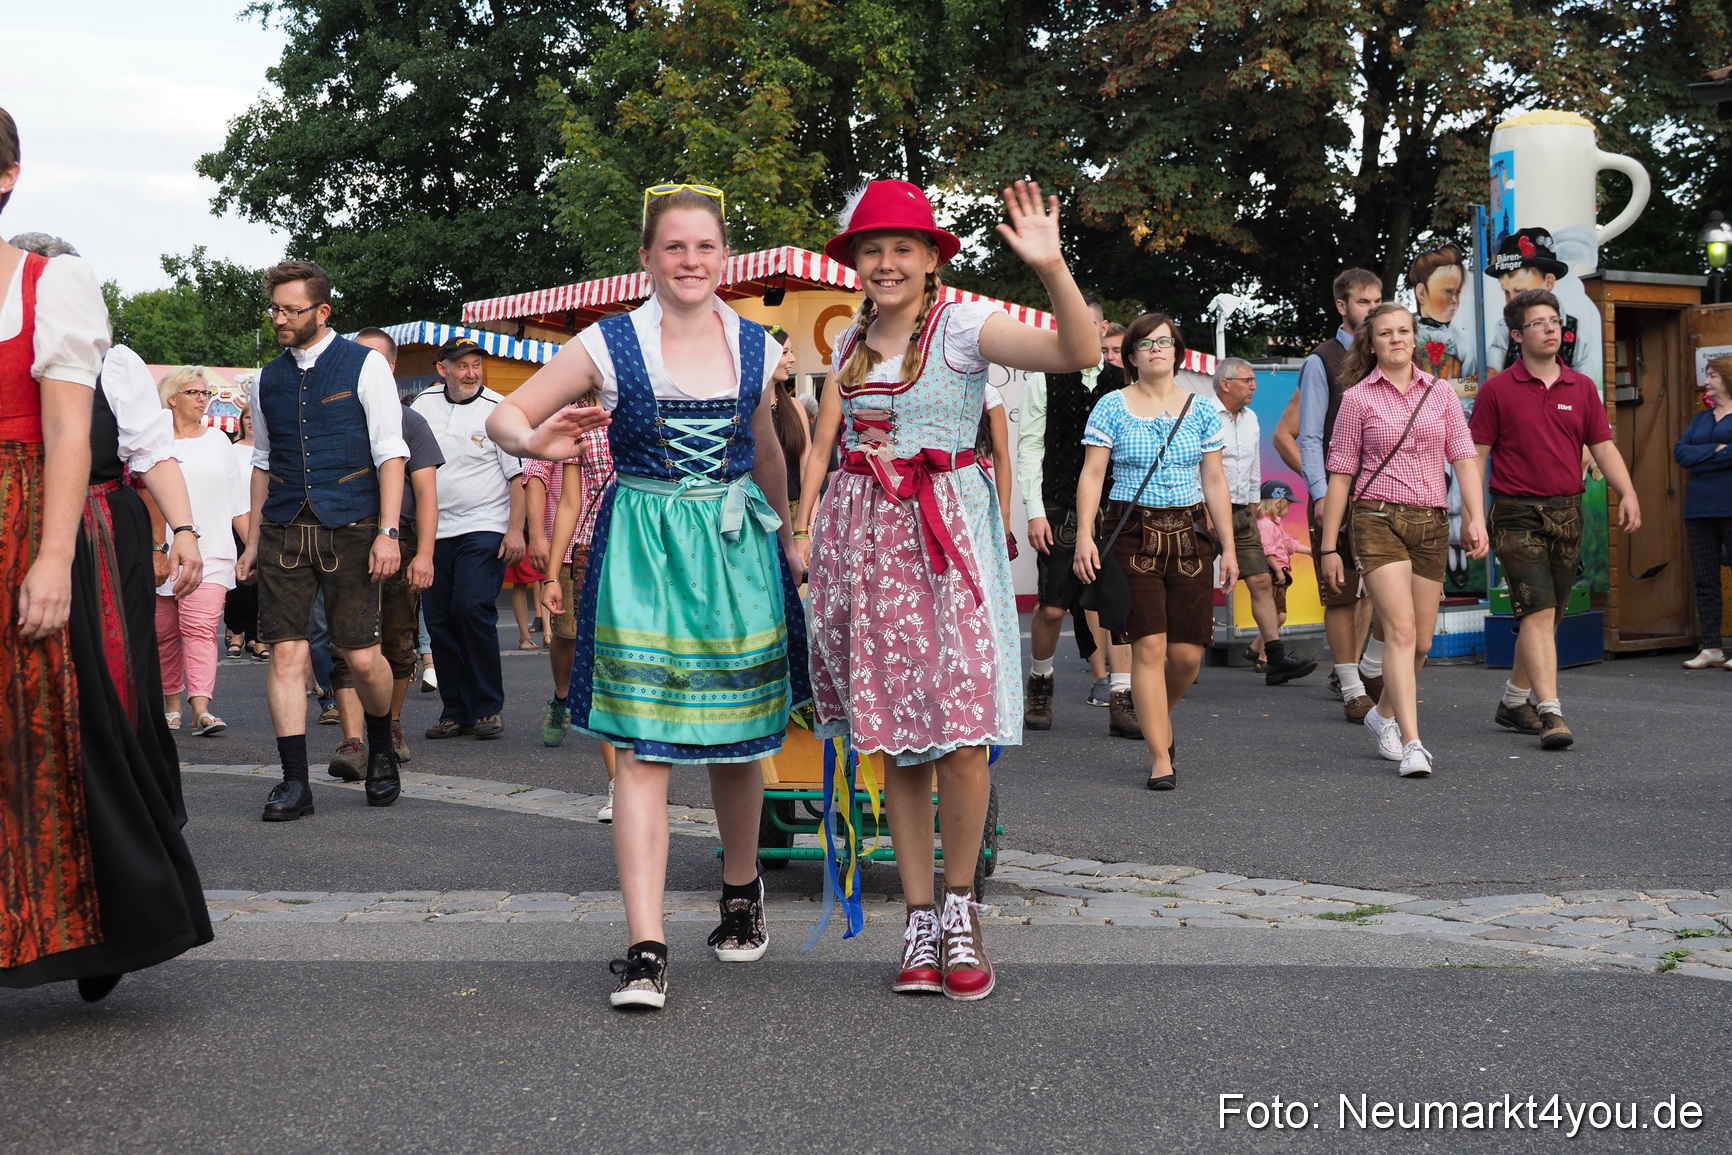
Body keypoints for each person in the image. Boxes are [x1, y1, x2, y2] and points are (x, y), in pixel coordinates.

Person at [488, 184, 805, 1012]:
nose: (691, 261)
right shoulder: (608, 341)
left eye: (704, 247)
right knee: (642, 748)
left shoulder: (759, 347)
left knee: (737, 740)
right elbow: (510, 415)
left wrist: (793, 534)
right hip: (643, 552)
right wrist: (533, 437)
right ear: (647, 257)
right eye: (674, 247)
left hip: (737, 547)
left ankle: (741, 892)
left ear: (724, 257)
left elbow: (767, 451)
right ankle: (645, 944)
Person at [797, 178, 1096, 1001]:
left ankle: (962, 907)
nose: (886, 261)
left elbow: (1077, 353)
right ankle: (919, 917)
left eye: (903, 247)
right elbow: (828, 444)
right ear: (855, 262)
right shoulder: (850, 341)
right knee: (899, 738)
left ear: (932, 260)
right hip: (869, 547)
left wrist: (1051, 265)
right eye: (872, 248)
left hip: (947, 545)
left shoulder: (963, 326)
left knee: (963, 733)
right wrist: (809, 529)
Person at [0, 108, 211, 1002]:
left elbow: (67, 436)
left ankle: (91, 922)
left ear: (6, 177)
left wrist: (51, 559)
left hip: (30, 516)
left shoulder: (53, 285)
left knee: (53, 729)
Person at [236, 260, 409, 820]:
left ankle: (381, 747)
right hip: (285, 527)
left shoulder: (365, 366)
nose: (279, 319)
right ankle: (294, 782)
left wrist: (388, 531)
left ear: (322, 311)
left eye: (290, 309)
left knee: (361, 657)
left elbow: (390, 452)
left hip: (355, 525)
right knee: (286, 652)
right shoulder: (266, 377)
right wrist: (252, 537)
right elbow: (262, 461)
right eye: (275, 309)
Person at [1318, 303, 1487, 777]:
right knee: (1402, 631)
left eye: (1403, 332)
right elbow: (1340, 477)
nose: (1395, 339)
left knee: (1423, 644)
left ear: (1415, 339)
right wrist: (1331, 545)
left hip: (1431, 522)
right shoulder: (1357, 399)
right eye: (1385, 333)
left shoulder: (1440, 393)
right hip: (1376, 519)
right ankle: (1413, 743)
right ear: (1370, 344)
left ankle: (1383, 715)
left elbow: (1464, 458)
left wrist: (1475, 517)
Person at [1074, 313, 1238, 790]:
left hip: (1189, 533)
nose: (1155, 349)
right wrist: (1085, 534)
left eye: (1164, 342)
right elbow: (1091, 475)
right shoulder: (1111, 406)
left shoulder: (1203, 408)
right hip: (1131, 532)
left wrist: (1228, 546)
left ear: (1177, 351)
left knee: (1186, 657)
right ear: (1131, 356)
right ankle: (1159, 756)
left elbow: (1214, 480)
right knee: (1148, 647)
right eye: (1145, 344)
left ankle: (1156, 719)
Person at [1473, 288, 1640, 748]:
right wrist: (1471, 514)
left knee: (1549, 616)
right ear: (1517, 334)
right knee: (1539, 610)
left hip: (1566, 513)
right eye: (1539, 323)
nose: (1551, 329)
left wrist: (1626, 492)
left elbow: (1602, 447)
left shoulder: (1581, 387)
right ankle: (1551, 714)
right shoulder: (1496, 390)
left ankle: (1513, 700)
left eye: (1554, 321)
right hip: (1514, 513)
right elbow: (1475, 456)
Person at [1014, 292, 1136, 735]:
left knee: (1119, 607)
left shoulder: (1126, 381)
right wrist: (1033, 511)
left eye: (1089, 325)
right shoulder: (1043, 379)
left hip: (1116, 507)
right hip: (1058, 503)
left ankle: (1122, 696)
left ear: (1104, 330)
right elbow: (1029, 447)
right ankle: (1041, 681)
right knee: (1050, 608)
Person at [321, 328, 442, 775]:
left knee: (396, 642)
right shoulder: (333, 414)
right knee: (346, 645)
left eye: (372, 360)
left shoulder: (411, 422)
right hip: (342, 539)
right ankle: (353, 741)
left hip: (400, 542)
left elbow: (427, 495)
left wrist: (425, 554)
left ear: (390, 368)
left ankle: (388, 728)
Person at [411, 336, 524, 741]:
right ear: (442, 369)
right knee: (439, 619)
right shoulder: (422, 406)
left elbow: (518, 477)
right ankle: (455, 710)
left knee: (472, 609)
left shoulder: (498, 410)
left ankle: (488, 707)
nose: (471, 373)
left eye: (476, 364)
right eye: (462, 366)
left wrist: (515, 530)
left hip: (484, 525)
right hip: (433, 531)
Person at [1297, 268, 1384, 721]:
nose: (1372, 309)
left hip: (1388, 494)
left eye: (1378, 301)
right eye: (1364, 302)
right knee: (1342, 593)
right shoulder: (1322, 360)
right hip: (1340, 492)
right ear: (1342, 307)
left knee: (1393, 591)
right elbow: (1308, 436)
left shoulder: (1389, 353)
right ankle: (1351, 686)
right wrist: (1318, 493)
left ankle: (1370, 667)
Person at [533, 394, 617, 815]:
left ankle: (648, 776)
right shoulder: (581, 421)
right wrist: (552, 575)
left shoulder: (661, 404)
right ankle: (620, 786)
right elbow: (570, 502)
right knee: (603, 665)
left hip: (657, 549)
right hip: (594, 550)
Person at [153, 366, 248, 738]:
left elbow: (237, 503)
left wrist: (251, 547)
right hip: (161, 552)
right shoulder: (154, 443)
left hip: (212, 553)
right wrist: (153, 548)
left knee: (201, 628)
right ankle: (172, 706)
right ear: (172, 398)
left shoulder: (219, 442)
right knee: (164, 632)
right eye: (193, 392)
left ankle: (202, 708)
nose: (201, 399)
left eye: (205, 393)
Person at [1213, 357, 1313, 685]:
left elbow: (1254, 464)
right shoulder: (1203, 414)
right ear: (1225, 384)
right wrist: (1202, 510)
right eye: (1247, 380)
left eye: (1254, 380)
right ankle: (1177, 656)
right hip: (1205, 512)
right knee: (1193, 585)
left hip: (1242, 511)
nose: (1254, 386)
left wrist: (1254, 506)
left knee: (1260, 581)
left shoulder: (1252, 418)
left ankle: (1275, 657)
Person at [1485, 229, 1599, 379]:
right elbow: (1492, 376)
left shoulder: (1576, 332)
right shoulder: (1503, 329)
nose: (1512, 300)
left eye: (1520, 291)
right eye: (1506, 292)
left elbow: (1585, 387)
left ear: (1548, 283)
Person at [1678, 354, 1732, 669]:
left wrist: (1700, 456)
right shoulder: (1701, 418)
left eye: (1712, 375)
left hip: (1729, 506)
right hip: (1698, 508)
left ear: (1726, 379)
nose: (1706, 381)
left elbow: (1691, 455)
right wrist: (1716, 451)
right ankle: (1711, 646)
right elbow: (1680, 452)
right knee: (1705, 578)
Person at [223, 400, 269, 661]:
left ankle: (257, 636)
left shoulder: (270, 451)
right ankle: (237, 632)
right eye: (247, 417)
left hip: (266, 523)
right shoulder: (232, 450)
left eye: (255, 417)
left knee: (265, 585)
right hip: (237, 523)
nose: (251, 421)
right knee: (242, 583)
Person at [1257, 480, 1309, 634]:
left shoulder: (1274, 524)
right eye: (1289, 504)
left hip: (1277, 572)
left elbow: (1287, 542)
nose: (1290, 508)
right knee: (1277, 615)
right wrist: (1278, 570)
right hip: (1273, 573)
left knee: (1278, 615)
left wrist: (1310, 551)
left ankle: (1258, 649)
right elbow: (1268, 551)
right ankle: (1262, 651)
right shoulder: (1265, 525)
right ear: (1279, 503)